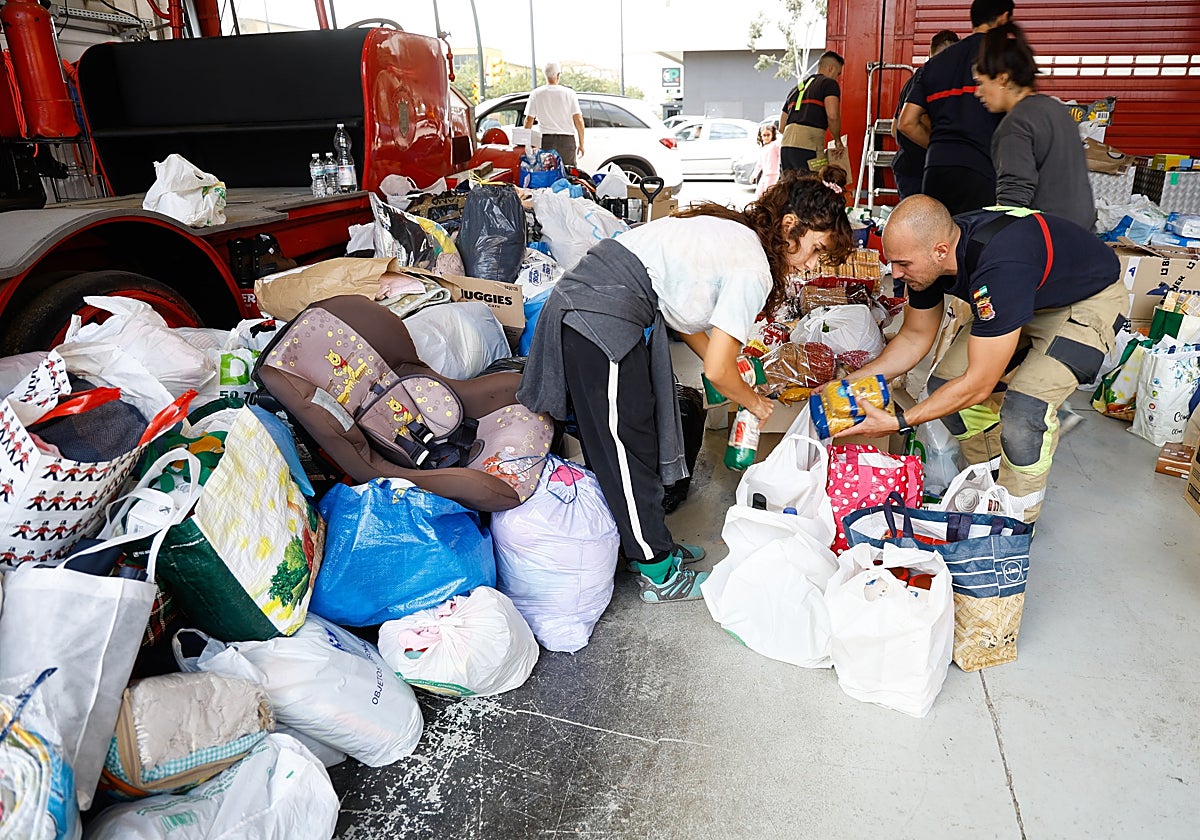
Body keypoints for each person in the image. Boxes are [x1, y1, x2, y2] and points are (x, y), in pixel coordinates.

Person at [518, 168, 854, 602]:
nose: (810, 265)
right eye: (816, 250)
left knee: (637, 440)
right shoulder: (753, 266)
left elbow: (687, 322)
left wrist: (732, 370)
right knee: (625, 451)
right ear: (791, 227)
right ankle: (657, 573)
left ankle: (650, 544)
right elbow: (716, 371)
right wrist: (753, 401)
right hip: (600, 314)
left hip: (603, 305)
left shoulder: (738, 236)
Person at [843, 196, 1122, 523]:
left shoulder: (999, 264)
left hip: (1085, 299)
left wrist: (900, 422)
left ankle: (1015, 522)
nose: (896, 273)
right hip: (1026, 293)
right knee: (944, 386)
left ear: (940, 251)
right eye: (893, 262)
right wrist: (851, 381)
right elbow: (914, 336)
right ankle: (991, 479)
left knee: (1025, 410)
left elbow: (978, 384)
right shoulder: (927, 256)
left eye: (903, 264)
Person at [974, 22, 1097, 230]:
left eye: (980, 83)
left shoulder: (1015, 124)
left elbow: (1013, 198)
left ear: (1002, 79)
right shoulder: (1055, 109)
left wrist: (989, 236)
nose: (977, 92)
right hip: (1081, 233)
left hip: (1049, 237)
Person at [897, 0, 1014, 214]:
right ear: (1003, 19)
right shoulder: (1002, 57)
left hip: (936, 170)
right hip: (982, 170)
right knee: (978, 232)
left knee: (937, 232)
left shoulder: (935, 63)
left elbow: (906, 123)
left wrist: (942, 147)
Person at [891, 30, 959, 200]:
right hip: (921, 171)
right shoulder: (930, 78)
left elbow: (894, 128)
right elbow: (908, 123)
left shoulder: (913, 81)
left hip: (907, 168)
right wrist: (943, 151)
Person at [779, 51, 845, 174]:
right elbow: (833, 116)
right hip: (809, 147)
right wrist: (837, 140)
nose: (837, 78)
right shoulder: (829, 84)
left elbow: (781, 127)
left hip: (786, 148)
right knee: (813, 180)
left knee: (789, 183)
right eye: (838, 73)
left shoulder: (796, 89)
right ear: (831, 68)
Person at [523, 62, 585, 167]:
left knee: (547, 171)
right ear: (558, 75)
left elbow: (529, 120)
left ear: (545, 75)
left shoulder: (536, 94)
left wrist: (526, 144)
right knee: (568, 171)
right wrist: (581, 144)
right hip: (567, 140)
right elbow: (578, 120)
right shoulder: (569, 93)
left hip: (546, 141)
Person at [753, 123, 782, 199]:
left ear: (772, 135)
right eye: (764, 135)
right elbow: (759, 164)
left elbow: (781, 155)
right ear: (761, 136)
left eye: (768, 135)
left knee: (768, 195)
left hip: (773, 174)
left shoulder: (775, 144)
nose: (766, 137)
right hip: (764, 175)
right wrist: (754, 175)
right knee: (758, 195)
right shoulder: (762, 148)